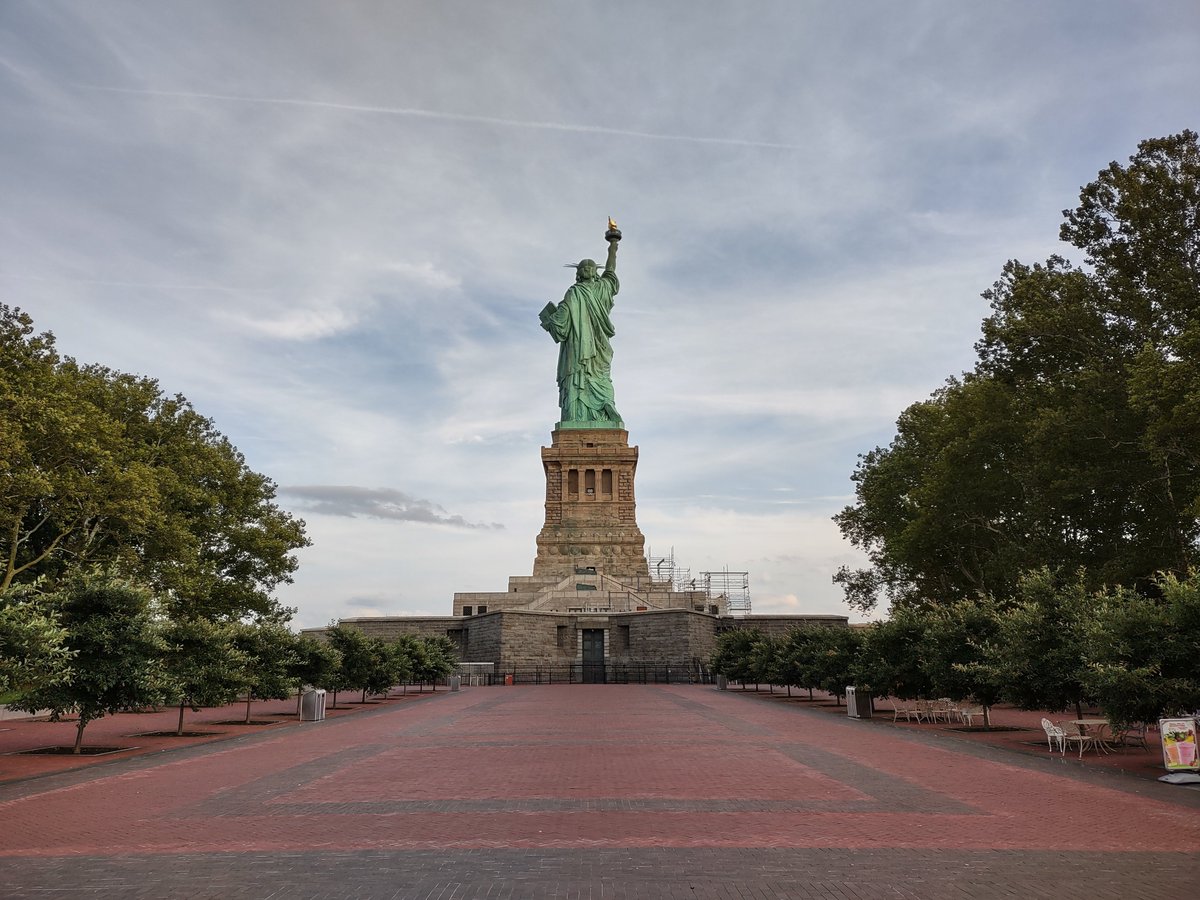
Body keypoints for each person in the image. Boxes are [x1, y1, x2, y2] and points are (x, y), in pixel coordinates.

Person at [539, 232, 623, 426]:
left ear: (594, 272)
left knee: (599, 376)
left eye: (590, 267)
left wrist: (613, 246)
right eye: (584, 267)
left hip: (597, 344)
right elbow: (562, 322)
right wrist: (552, 321)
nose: (586, 269)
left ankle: (603, 406)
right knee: (582, 375)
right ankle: (577, 415)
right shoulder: (574, 292)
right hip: (578, 346)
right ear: (579, 273)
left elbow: (610, 270)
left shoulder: (599, 289)